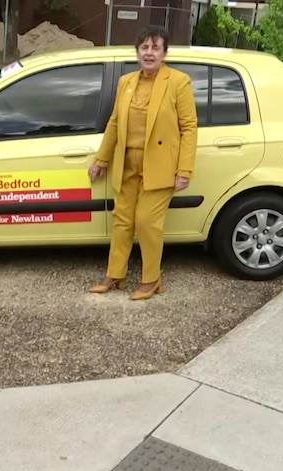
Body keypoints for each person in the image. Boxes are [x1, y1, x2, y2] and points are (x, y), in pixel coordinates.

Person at [88, 26, 198, 301]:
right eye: (144, 48)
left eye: (155, 48)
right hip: (126, 163)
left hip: (159, 165)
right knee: (122, 221)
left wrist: (184, 169)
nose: (149, 53)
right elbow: (114, 122)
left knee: (147, 222)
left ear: (164, 54)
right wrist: (101, 159)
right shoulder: (126, 82)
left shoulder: (178, 81)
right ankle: (115, 274)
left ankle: (152, 279)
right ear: (137, 52)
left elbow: (189, 127)